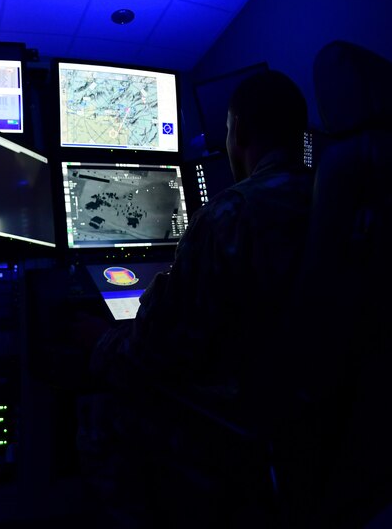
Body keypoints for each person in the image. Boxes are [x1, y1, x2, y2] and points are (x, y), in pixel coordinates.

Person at [72, 69, 314, 527]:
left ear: (238, 129)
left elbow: (156, 351)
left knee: (95, 412)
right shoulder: (327, 198)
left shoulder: (232, 212)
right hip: (307, 415)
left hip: (235, 421)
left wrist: (100, 339)